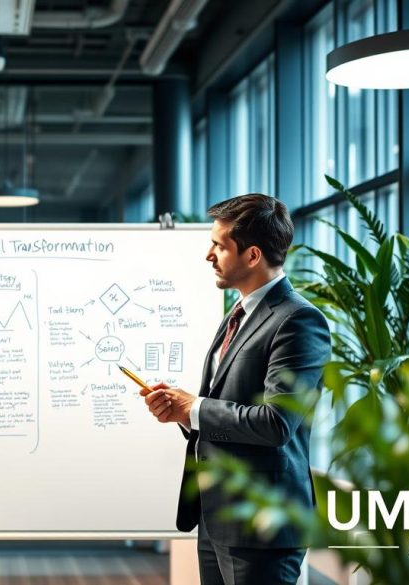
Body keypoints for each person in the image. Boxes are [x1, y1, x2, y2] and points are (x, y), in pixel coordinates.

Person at [141, 194, 330, 584]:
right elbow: (225, 405)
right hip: (218, 518)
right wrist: (181, 413)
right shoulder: (238, 313)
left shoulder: (299, 321)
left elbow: (277, 422)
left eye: (219, 246)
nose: (209, 255)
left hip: (262, 526)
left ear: (253, 255)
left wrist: (194, 408)